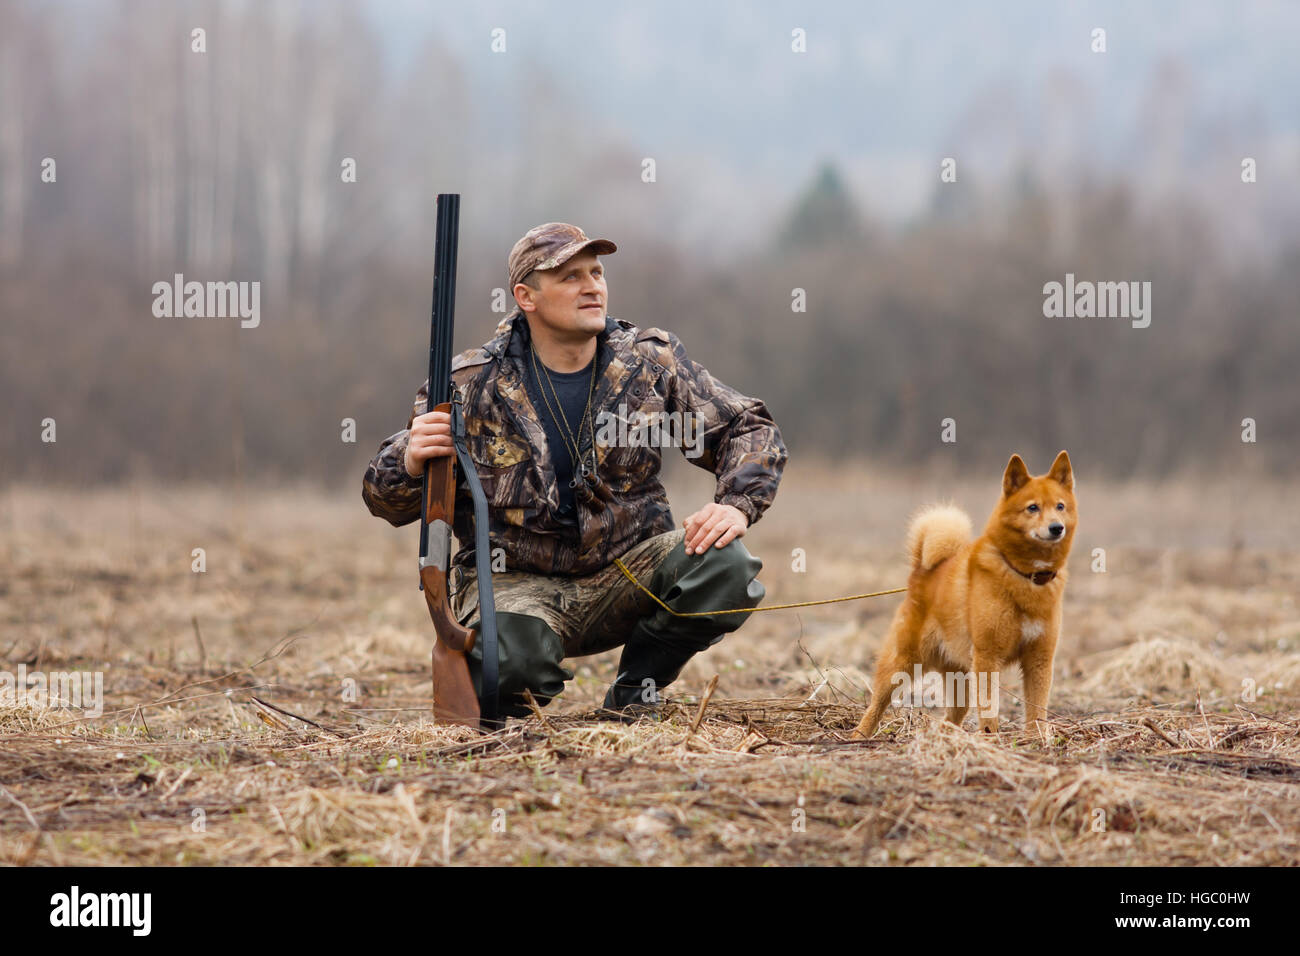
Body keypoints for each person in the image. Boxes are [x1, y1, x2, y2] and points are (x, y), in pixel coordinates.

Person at [363, 222, 787, 719]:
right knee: (510, 666)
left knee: (727, 566)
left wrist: (735, 505)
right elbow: (381, 497)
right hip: (515, 583)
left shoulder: (648, 362)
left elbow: (748, 426)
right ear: (527, 296)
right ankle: (514, 702)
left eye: (597, 272)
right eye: (569, 277)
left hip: (629, 571)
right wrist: (410, 462)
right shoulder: (470, 383)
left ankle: (635, 696)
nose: (592, 286)